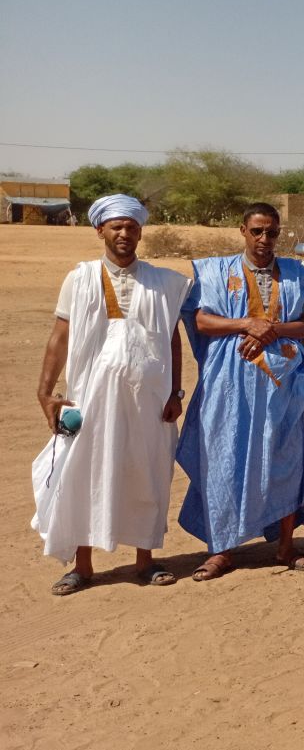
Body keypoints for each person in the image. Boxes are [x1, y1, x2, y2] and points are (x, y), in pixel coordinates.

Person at [32, 194, 191, 595]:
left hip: (148, 400)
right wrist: (44, 393)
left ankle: (145, 560)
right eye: (117, 226)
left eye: (132, 227)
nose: (124, 233)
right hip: (89, 398)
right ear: (99, 230)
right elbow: (59, 337)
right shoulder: (80, 278)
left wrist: (175, 391)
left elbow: (172, 340)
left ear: (140, 233)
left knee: (146, 473)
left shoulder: (162, 282)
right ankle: (82, 566)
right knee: (82, 474)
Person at [178, 202, 304, 579]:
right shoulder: (215, 271)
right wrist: (247, 324)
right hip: (228, 385)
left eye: (272, 232)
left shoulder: (298, 274)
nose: (265, 239)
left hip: (285, 385)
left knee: (286, 459)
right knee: (222, 459)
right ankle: (221, 550)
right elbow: (201, 320)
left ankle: (286, 546)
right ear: (243, 231)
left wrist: (273, 329)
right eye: (257, 231)